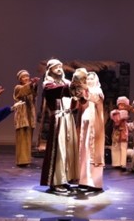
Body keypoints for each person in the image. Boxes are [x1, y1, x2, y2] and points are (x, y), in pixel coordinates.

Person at [39, 58, 79, 194]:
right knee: (59, 150)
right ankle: (56, 182)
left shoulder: (66, 82)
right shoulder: (48, 84)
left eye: (60, 66)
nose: (59, 69)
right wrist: (72, 87)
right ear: (50, 69)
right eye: (56, 67)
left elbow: (74, 95)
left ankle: (64, 179)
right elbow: (57, 91)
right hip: (58, 119)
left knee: (68, 149)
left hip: (68, 118)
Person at [77, 71, 105, 192]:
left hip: (95, 126)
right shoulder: (84, 92)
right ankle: (83, 180)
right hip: (85, 125)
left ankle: (95, 183)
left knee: (93, 153)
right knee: (84, 151)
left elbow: (93, 97)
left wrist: (85, 91)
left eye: (92, 79)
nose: (89, 81)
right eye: (87, 79)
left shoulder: (98, 91)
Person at [13, 69, 40, 167]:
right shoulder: (18, 87)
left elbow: (34, 94)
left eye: (27, 76)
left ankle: (27, 159)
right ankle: (21, 161)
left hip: (29, 116)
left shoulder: (29, 87)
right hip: (22, 116)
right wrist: (31, 84)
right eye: (23, 77)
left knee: (28, 138)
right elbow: (23, 92)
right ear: (20, 79)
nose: (26, 78)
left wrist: (34, 85)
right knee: (22, 138)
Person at [109, 96, 130, 171]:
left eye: (123, 105)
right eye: (120, 104)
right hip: (116, 131)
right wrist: (115, 113)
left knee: (123, 147)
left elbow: (118, 118)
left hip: (123, 131)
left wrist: (115, 113)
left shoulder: (125, 112)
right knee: (115, 147)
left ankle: (122, 163)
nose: (121, 106)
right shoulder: (115, 112)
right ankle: (116, 163)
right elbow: (113, 116)